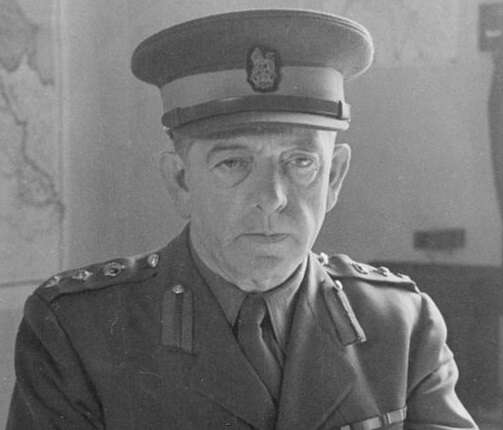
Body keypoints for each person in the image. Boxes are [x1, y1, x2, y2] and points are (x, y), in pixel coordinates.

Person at [7, 9, 478, 430]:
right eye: (233, 163)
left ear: (334, 176)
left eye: (300, 162)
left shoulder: (401, 327)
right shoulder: (79, 333)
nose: (272, 198)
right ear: (180, 181)